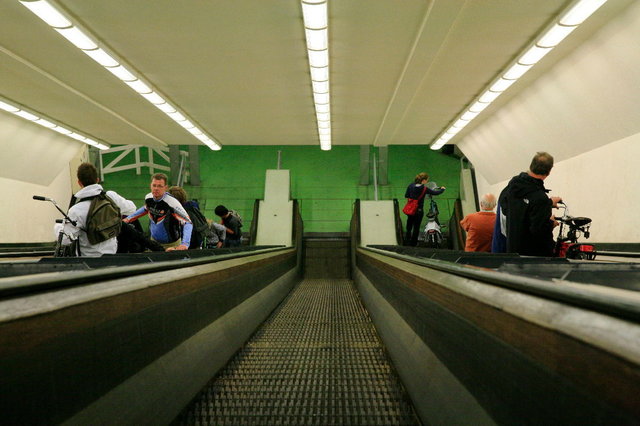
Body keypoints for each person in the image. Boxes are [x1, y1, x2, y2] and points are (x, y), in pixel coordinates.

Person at [53, 162, 136, 257]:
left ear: (79, 183)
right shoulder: (110, 197)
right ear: (97, 180)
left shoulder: (76, 210)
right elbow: (132, 209)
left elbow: (65, 240)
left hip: (88, 262)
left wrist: (58, 226)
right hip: (112, 258)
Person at [494, 152, 562, 256]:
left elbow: (511, 209)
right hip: (532, 258)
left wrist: (548, 203)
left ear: (531, 165)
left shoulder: (511, 187)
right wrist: (551, 223)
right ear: (548, 172)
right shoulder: (540, 197)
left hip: (513, 252)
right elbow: (539, 231)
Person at [124, 173, 193, 251]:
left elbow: (188, 222)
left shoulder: (172, 203)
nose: (156, 188)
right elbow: (146, 208)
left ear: (165, 188)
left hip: (171, 245)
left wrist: (185, 244)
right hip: (154, 242)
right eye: (154, 185)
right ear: (150, 185)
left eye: (160, 186)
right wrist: (128, 219)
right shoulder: (148, 197)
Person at [404, 172, 445, 246]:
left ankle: (407, 241)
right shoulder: (424, 188)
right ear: (423, 180)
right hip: (418, 210)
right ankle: (413, 243)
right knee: (416, 227)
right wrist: (442, 189)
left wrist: (411, 204)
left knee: (409, 225)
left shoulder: (410, 186)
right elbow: (435, 193)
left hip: (410, 209)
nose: (427, 182)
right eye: (427, 180)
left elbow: (407, 196)